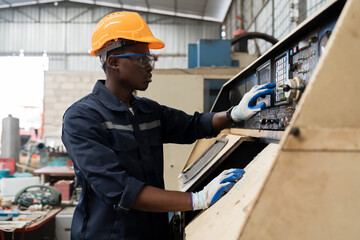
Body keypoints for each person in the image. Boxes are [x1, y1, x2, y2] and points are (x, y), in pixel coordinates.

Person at [61, 11, 275, 240]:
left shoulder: (146, 111)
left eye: (150, 59)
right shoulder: (81, 118)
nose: (150, 66)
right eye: (142, 59)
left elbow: (192, 125)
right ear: (113, 63)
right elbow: (121, 188)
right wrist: (198, 199)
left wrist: (235, 114)